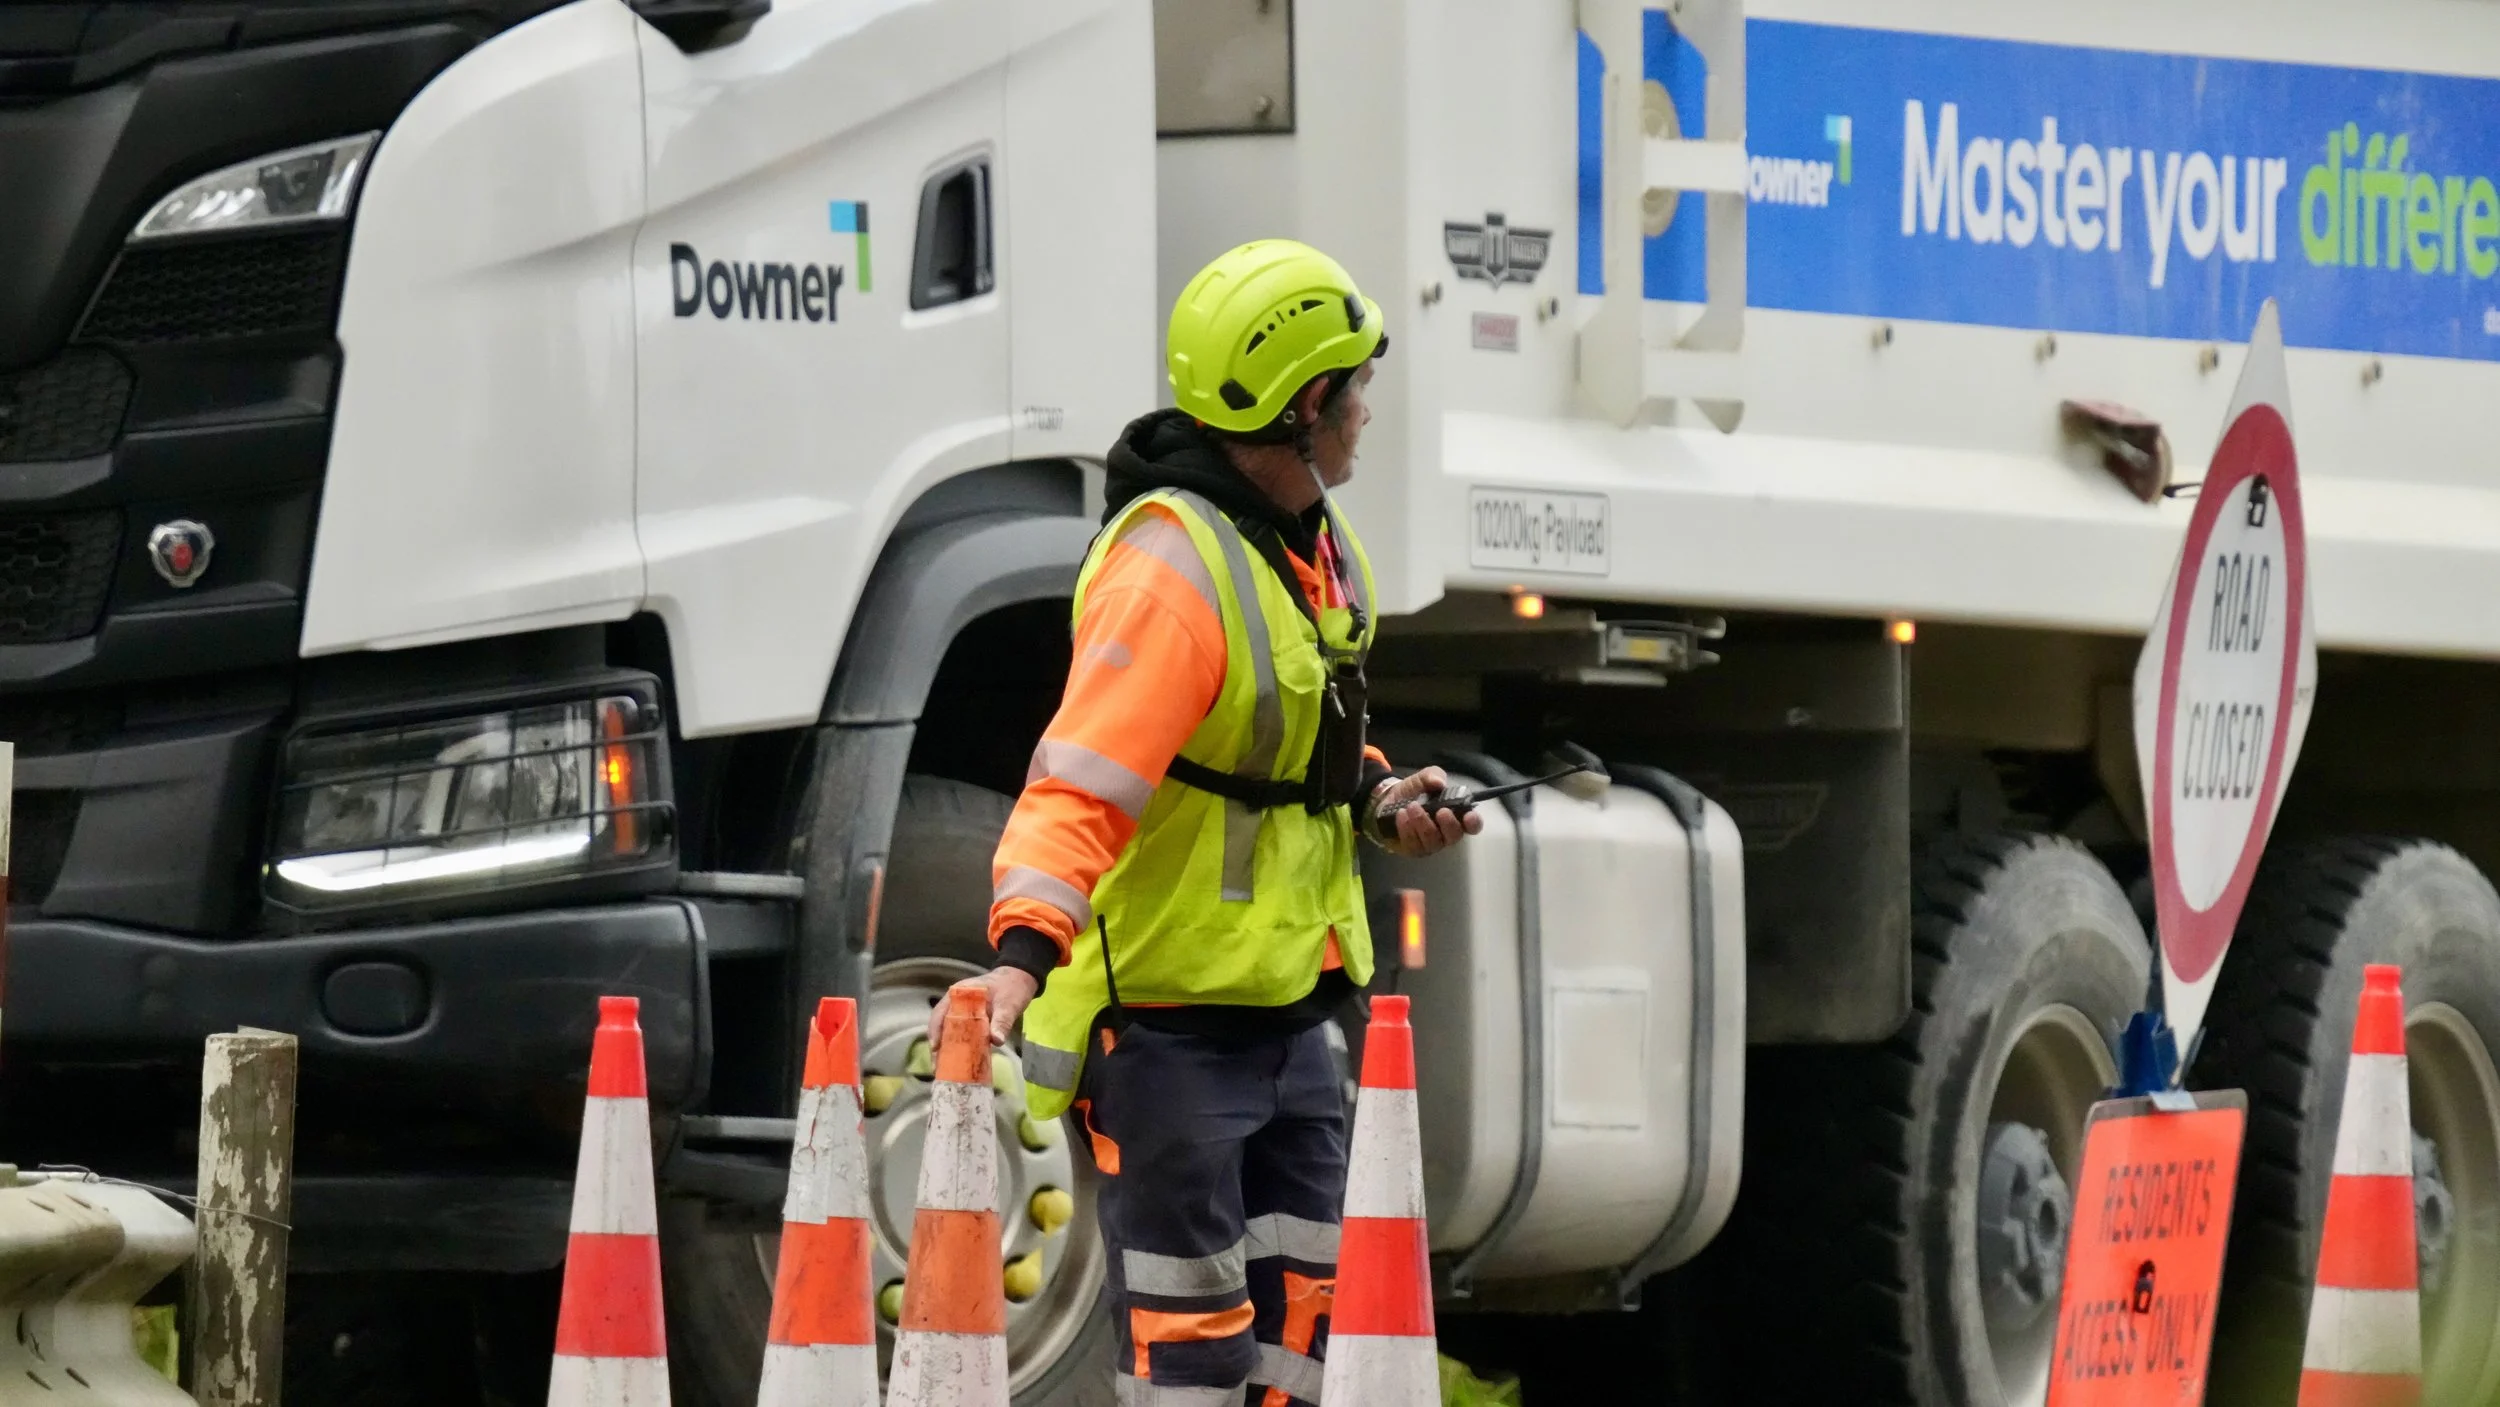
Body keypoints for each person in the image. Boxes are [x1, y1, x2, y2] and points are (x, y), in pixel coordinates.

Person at [928, 238, 1480, 1404]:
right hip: (1171, 1037)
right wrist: (1020, 957)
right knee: (1193, 1356)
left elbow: (1286, 744)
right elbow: (1080, 780)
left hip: (1289, 1022)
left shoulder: (1308, 549)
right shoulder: (1172, 570)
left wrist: (1382, 802)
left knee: (1302, 1340)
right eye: (1355, 390)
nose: (1366, 415)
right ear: (1304, 406)